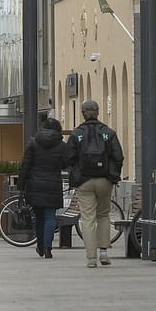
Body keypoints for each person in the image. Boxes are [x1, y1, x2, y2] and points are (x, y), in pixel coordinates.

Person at [68, 99, 124, 268]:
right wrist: (112, 176)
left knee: (88, 218)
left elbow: (69, 158)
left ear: (83, 113)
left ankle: (91, 258)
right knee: (103, 216)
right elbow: (118, 157)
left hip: (84, 182)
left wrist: (77, 176)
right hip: (104, 180)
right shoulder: (109, 132)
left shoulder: (76, 134)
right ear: (98, 112)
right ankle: (104, 253)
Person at [18, 117, 70, 258]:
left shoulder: (33, 143)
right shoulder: (62, 146)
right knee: (50, 217)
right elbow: (66, 164)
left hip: (35, 184)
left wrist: (21, 184)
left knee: (39, 217)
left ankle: (40, 246)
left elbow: (25, 166)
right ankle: (48, 247)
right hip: (53, 184)